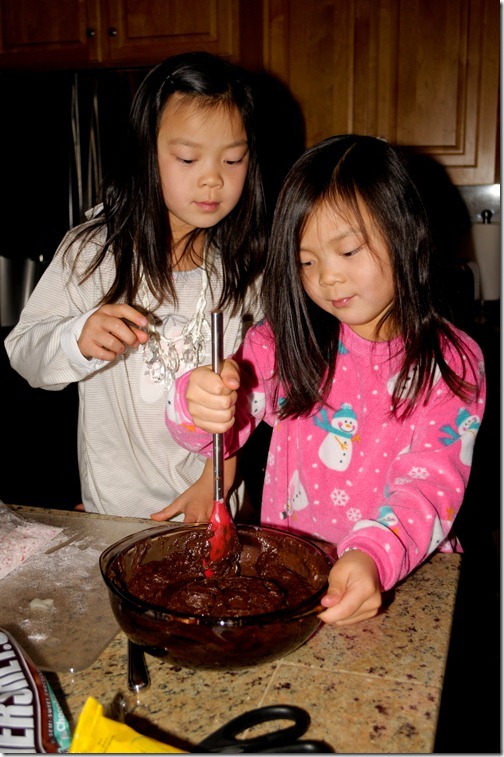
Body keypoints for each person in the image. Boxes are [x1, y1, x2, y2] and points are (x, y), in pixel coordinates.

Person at [165, 134, 486, 626]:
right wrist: (197, 402)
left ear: (405, 234)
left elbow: (429, 486)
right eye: (307, 261)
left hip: (405, 577)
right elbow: (214, 432)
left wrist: (372, 555)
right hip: (295, 574)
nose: (327, 278)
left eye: (348, 251)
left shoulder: (451, 361)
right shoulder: (283, 343)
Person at [5, 51, 268, 521]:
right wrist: (76, 338)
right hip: (116, 516)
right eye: (187, 158)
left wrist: (216, 479)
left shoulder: (247, 268)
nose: (213, 178)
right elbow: (24, 355)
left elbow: (258, 391)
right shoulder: (92, 253)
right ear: (146, 153)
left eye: (233, 159)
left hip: (213, 506)